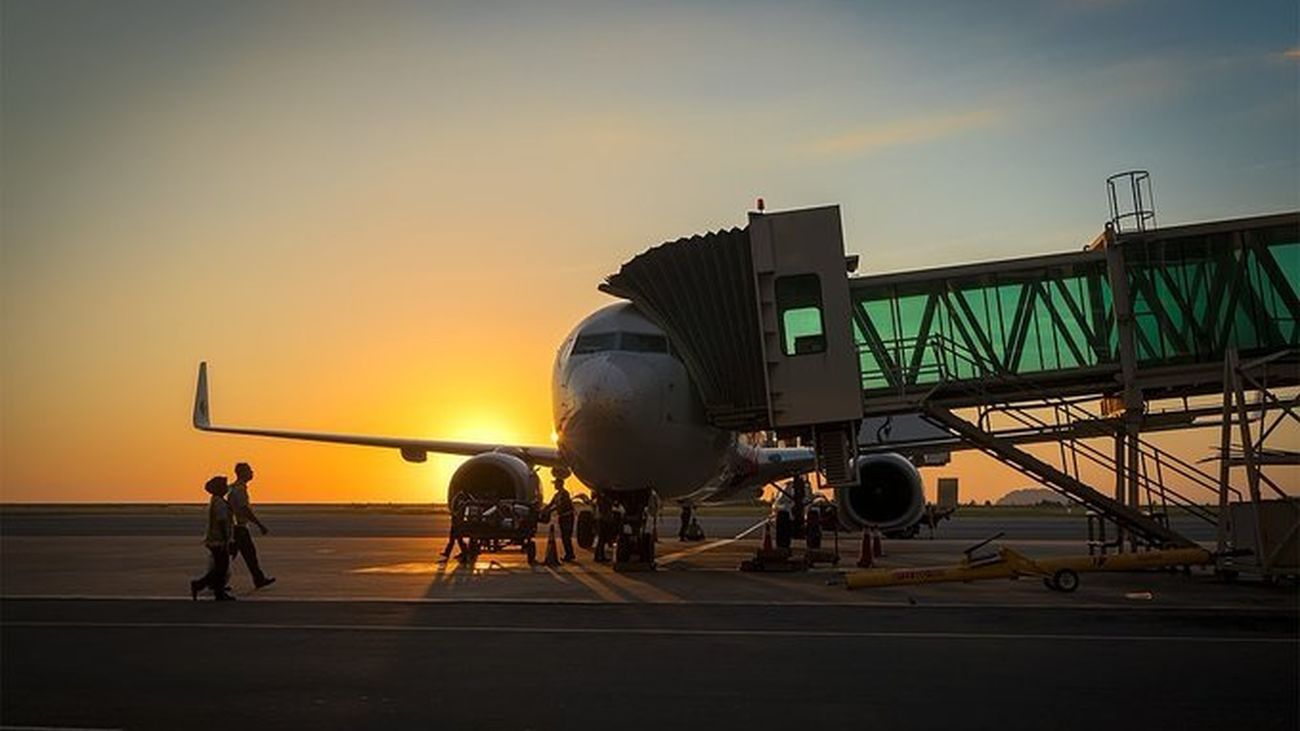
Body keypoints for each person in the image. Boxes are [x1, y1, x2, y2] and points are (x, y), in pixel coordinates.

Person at [227, 462, 275, 589]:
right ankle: (211, 581)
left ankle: (259, 579)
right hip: (239, 528)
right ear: (242, 473)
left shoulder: (233, 487)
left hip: (238, 527)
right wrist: (259, 524)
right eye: (249, 470)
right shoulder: (239, 489)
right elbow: (244, 509)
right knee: (234, 555)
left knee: (247, 554)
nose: (252, 473)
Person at [191, 476, 235, 601]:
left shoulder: (216, 500)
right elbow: (222, 521)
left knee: (220, 567)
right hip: (218, 540)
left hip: (216, 539)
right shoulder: (219, 502)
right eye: (224, 486)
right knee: (221, 568)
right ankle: (202, 585)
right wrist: (226, 540)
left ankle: (216, 590)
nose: (227, 488)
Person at [544, 468, 576, 561]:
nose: (554, 486)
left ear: (560, 484)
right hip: (562, 517)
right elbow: (551, 504)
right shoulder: (557, 495)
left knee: (566, 537)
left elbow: (560, 505)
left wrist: (550, 511)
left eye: (556, 484)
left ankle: (570, 554)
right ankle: (569, 554)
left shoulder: (565, 494)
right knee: (564, 537)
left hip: (567, 517)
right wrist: (544, 510)